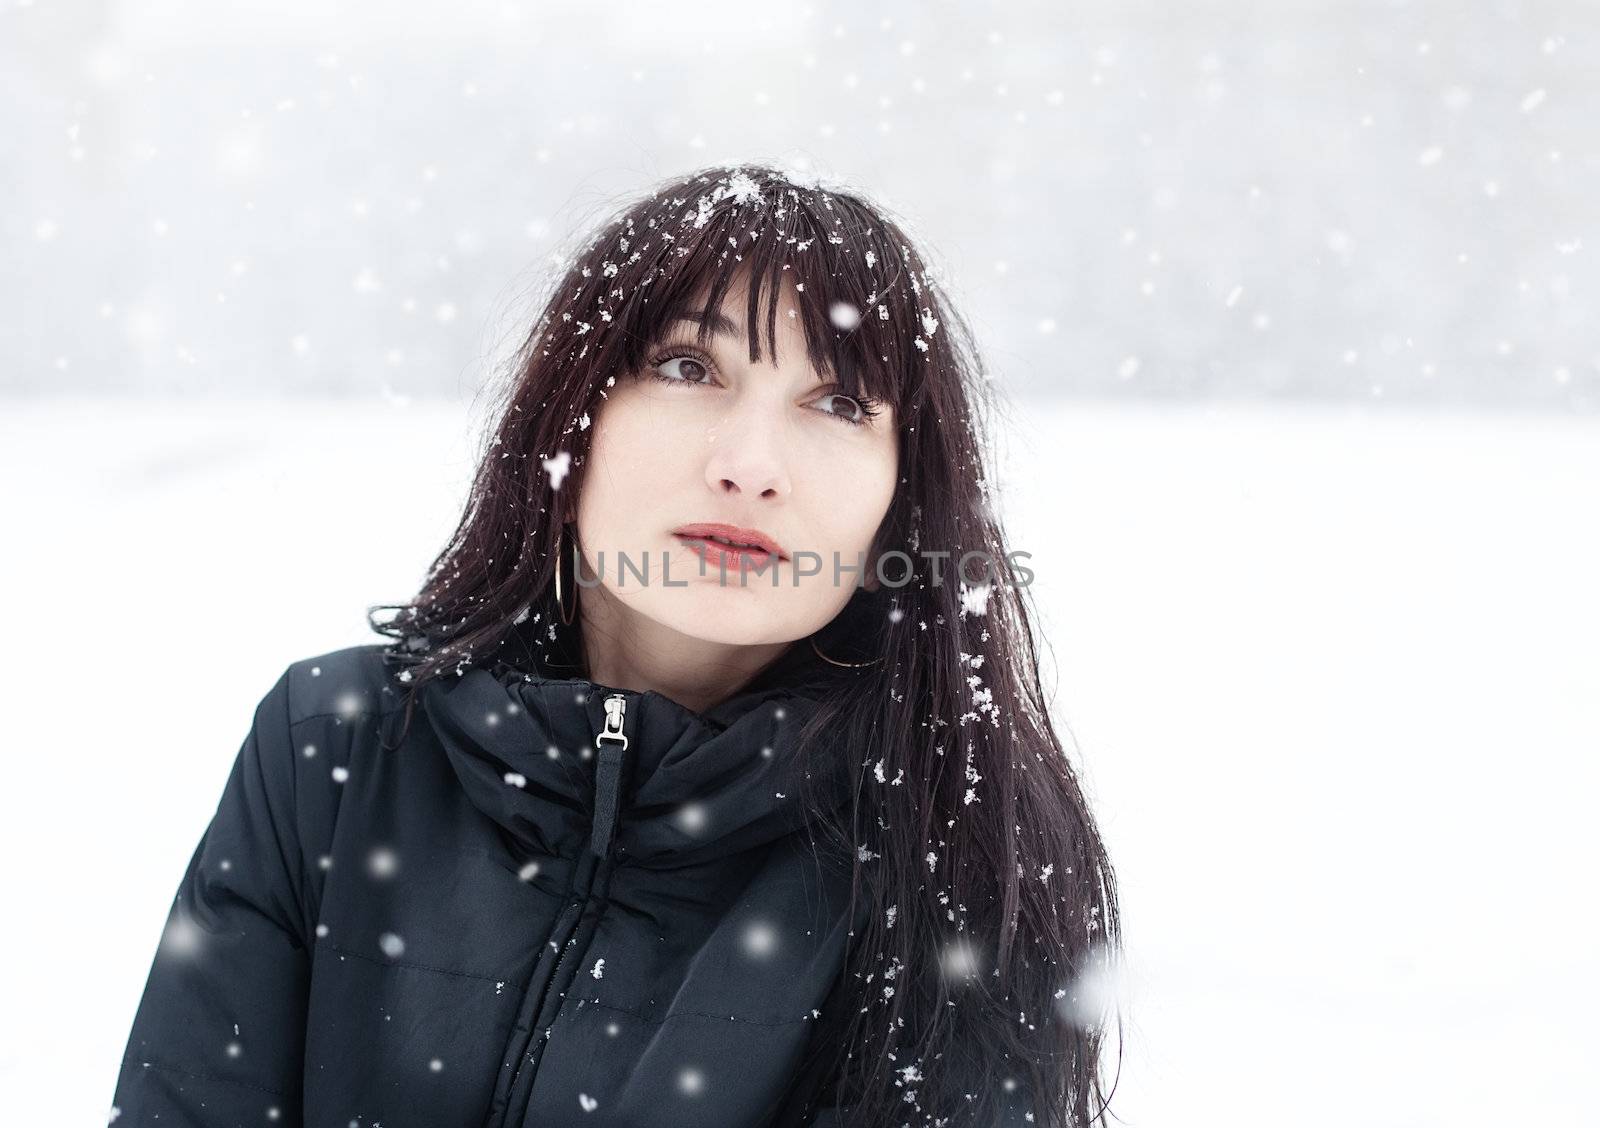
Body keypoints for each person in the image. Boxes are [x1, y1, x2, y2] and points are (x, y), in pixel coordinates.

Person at [108, 162, 1122, 1127]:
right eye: (689, 367)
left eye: (839, 402)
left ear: (903, 503)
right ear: (572, 415)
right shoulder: (335, 748)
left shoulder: (966, 847)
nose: (750, 465)